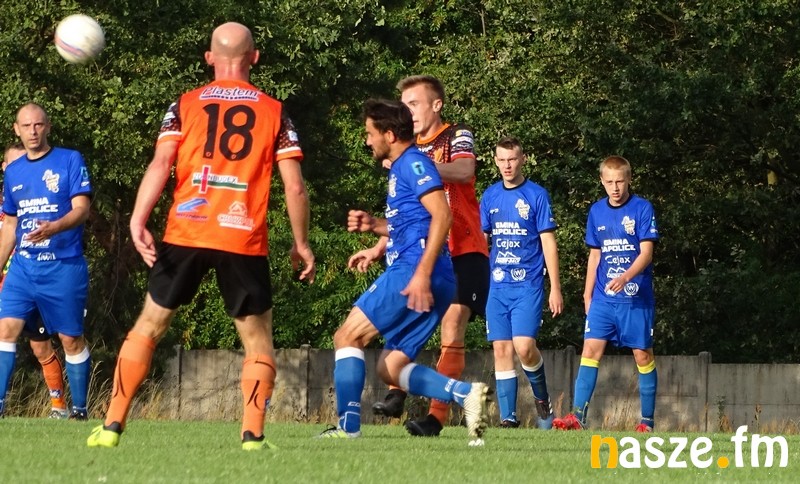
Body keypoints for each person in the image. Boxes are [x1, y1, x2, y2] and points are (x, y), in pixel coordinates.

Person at [86, 22, 315, 450]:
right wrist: (301, 243)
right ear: (255, 57)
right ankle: (252, 437)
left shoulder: (184, 104)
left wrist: (138, 220)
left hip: (186, 231)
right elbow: (295, 187)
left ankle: (112, 426)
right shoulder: (275, 111)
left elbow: (161, 163)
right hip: (241, 237)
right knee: (257, 341)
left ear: (209, 58)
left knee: (149, 326)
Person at [319, 98, 489, 442]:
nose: (367, 140)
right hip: (432, 273)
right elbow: (414, 223)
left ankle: (347, 428)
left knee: (347, 336)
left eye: (370, 133)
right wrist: (375, 226)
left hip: (416, 269)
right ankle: (464, 393)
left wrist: (421, 274)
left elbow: (443, 215)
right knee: (390, 367)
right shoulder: (403, 166)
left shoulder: (413, 163)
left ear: (390, 134)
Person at [553, 155, 659, 432]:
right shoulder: (596, 211)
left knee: (643, 356)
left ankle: (647, 422)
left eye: (620, 181)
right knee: (590, 350)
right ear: (601, 181)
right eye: (609, 182)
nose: (615, 187)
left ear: (629, 179)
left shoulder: (642, 208)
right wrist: (587, 294)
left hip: (635, 298)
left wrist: (625, 277)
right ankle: (578, 417)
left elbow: (646, 253)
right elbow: (595, 255)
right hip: (603, 298)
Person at [0, 105, 93, 421]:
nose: (33, 131)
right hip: (24, 267)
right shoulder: (13, 172)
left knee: (70, 339)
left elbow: (82, 209)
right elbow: (10, 226)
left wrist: (54, 228)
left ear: (48, 127)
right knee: (6, 329)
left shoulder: (69, 160)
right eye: (26, 126)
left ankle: (79, 410)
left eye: (38, 124)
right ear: (17, 129)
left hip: (63, 265)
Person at [479, 137, 562, 429]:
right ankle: (508, 418)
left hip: (527, 284)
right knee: (501, 349)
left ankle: (542, 399)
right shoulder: (489, 196)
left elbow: (548, 243)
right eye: (502, 160)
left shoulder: (536, 195)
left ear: (523, 159)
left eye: (512, 159)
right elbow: (482, 241)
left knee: (524, 347)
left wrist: (555, 288)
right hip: (497, 285)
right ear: (495, 161)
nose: (507, 165)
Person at [0, 143, 69, 419]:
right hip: (6, 285)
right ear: (5, 168)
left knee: (40, 346)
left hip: (33, 280)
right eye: (15, 163)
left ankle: (59, 408)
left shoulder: (40, 201)